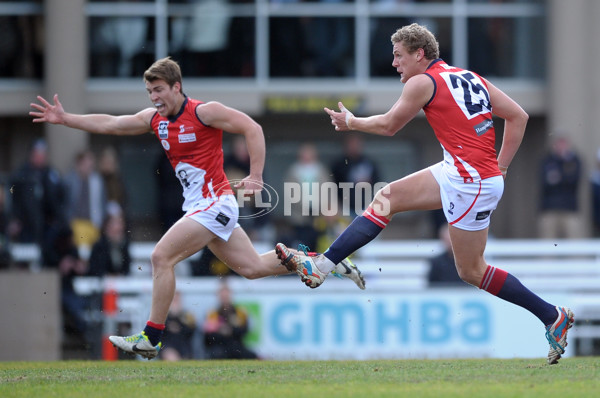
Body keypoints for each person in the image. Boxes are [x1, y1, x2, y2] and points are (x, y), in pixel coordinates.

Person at [276, 23, 574, 365]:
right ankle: (323, 266)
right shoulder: (469, 76)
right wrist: (501, 167)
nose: (394, 63)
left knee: (471, 271)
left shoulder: (423, 81)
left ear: (420, 54)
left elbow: (389, 125)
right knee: (386, 198)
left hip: (470, 182)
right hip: (462, 171)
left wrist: (353, 122)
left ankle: (552, 315)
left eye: (399, 55)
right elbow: (518, 116)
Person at [29, 57, 365, 360]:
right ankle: (327, 262)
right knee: (251, 268)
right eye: (149, 91)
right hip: (202, 207)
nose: (153, 97)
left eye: (159, 90)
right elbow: (113, 124)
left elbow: (253, 128)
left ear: (177, 87)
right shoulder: (154, 120)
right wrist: (65, 118)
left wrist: (257, 176)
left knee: (161, 257)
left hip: (214, 204)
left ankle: (151, 337)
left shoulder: (204, 112)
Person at [538, 135, 583, 239]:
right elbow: (545, 182)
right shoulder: (547, 160)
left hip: (570, 207)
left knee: (573, 239)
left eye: (564, 144)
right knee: (548, 240)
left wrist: (559, 177)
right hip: (549, 207)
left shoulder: (574, 160)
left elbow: (574, 180)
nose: (561, 147)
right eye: (559, 144)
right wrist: (564, 176)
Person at [203, 280, 257, 360]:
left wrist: (230, 330)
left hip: (236, 346)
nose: (225, 297)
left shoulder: (240, 312)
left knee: (251, 355)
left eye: (227, 294)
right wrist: (222, 332)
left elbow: (245, 331)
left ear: (231, 294)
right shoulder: (212, 314)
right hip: (220, 347)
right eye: (222, 294)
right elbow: (207, 338)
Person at [87, 212, 131, 277]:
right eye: (115, 224)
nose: (119, 227)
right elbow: (97, 269)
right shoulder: (99, 245)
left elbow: (126, 269)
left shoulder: (124, 245)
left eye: (120, 224)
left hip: (121, 283)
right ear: (107, 227)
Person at [160, 290, 197, 361]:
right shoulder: (163, 316)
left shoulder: (187, 315)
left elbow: (191, 331)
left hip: (183, 347)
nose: (175, 302)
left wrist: (179, 318)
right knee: (170, 355)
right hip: (167, 346)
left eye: (177, 300)